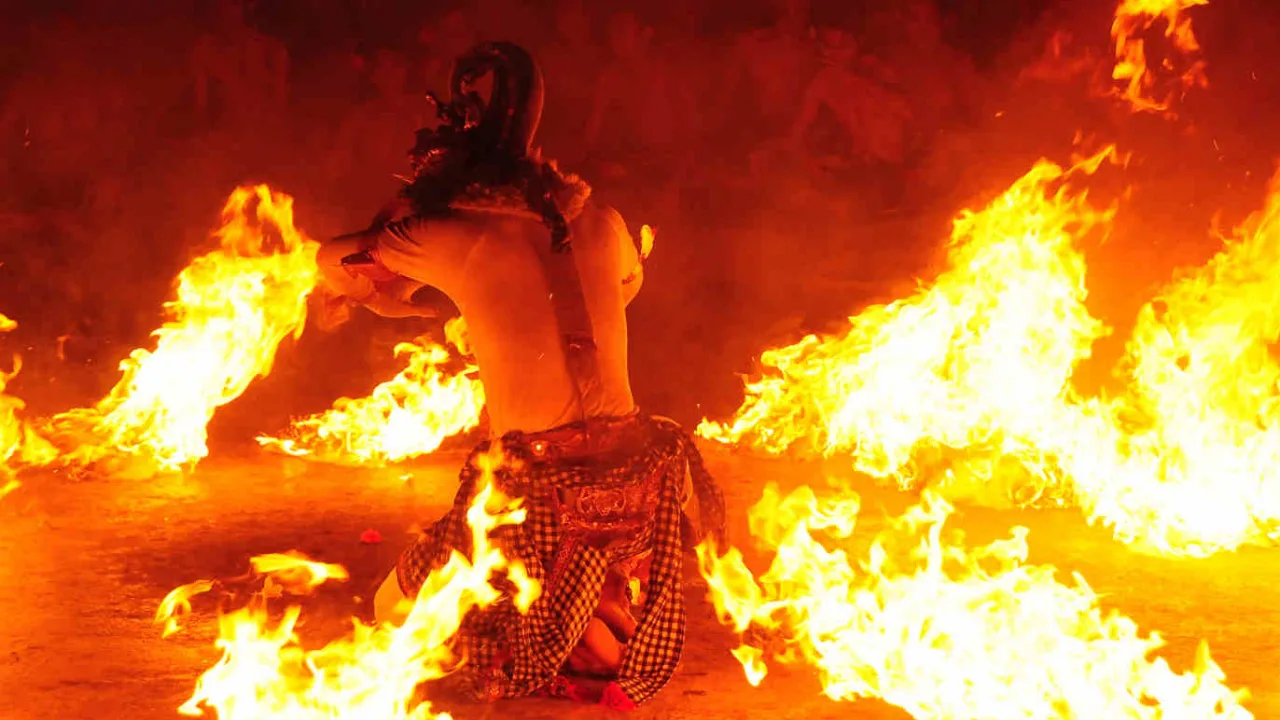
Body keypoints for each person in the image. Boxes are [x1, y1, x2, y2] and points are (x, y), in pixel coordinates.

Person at [313, 42, 725, 709]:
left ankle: (535, 642)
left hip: (539, 494)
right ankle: (581, 633)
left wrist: (385, 281)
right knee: (591, 650)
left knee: (391, 611)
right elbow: (624, 287)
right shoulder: (602, 221)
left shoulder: (450, 235)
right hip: (640, 485)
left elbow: (332, 262)